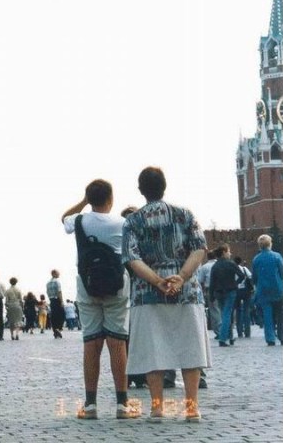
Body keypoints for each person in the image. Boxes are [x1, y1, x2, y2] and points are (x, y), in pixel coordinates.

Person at [121, 167, 210, 422]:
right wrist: (181, 276)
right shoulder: (185, 214)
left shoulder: (132, 221)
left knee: (153, 350)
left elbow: (132, 258)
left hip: (147, 292)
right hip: (187, 291)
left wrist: (158, 281)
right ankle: (192, 408)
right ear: (164, 186)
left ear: (141, 190)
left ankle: (157, 408)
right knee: (191, 348)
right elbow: (199, 249)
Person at [62, 179, 138, 420]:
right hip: (117, 285)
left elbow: (64, 218)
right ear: (111, 198)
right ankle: (122, 404)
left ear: (90, 199)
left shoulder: (79, 220)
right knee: (117, 342)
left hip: (87, 285)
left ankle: (90, 405)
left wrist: (84, 201)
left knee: (91, 342)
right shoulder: (123, 223)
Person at [208, 244, 245, 347]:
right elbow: (242, 275)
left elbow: (212, 282)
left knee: (224, 313)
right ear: (224, 252)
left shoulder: (215, 266)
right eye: (229, 251)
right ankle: (223, 338)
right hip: (230, 291)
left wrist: (211, 295)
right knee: (227, 314)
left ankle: (230, 336)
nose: (230, 253)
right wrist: (235, 284)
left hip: (219, 292)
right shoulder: (231, 264)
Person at [252, 234, 283, 347]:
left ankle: (270, 338)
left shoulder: (256, 259)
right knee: (280, 313)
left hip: (263, 290)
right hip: (277, 288)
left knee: (267, 315)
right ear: (270, 244)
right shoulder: (277, 256)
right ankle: (282, 336)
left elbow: (254, 277)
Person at [233, 256, 253, 338]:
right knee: (246, 310)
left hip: (236, 291)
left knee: (238, 311)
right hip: (246, 291)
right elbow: (250, 277)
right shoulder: (244, 269)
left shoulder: (232, 269)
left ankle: (239, 331)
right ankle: (247, 332)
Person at [46, 270, 65, 339]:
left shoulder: (48, 283)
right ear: (54, 274)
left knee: (54, 315)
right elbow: (59, 292)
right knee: (62, 314)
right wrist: (62, 301)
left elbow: (47, 292)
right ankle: (58, 328)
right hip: (57, 300)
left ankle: (55, 330)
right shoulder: (57, 282)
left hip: (51, 300)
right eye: (58, 273)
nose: (59, 274)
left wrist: (50, 299)